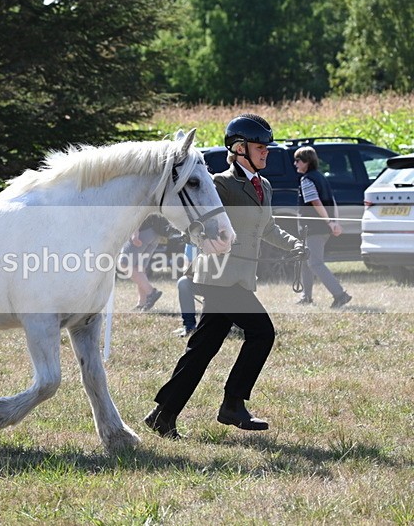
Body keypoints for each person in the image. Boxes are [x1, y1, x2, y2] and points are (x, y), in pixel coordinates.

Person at [144, 114, 307, 439]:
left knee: (202, 348)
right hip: (218, 275)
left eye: (266, 148)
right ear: (239, 148)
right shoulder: (221, 183)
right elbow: (200, 220)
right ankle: (232, 404)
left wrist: (294, 245)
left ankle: (162, 415)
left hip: (239, 277)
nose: (266, 152)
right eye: (260, 147)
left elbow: (268, 228)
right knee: (262, 332)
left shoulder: (266, 186)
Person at [294, 146, 352, 308]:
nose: (295, 164)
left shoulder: (307, 180)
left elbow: (315, 202)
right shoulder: (321, 177)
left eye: (298, 160)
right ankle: (307, 297)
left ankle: (340, 295)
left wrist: (330, 222)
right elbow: (332, 201)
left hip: (313, 229)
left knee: (314, 263)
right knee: (305, 261)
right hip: (319, 228)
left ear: (306, 162)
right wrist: (335, 222)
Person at [119, 215, 164, 311]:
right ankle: (142, 303)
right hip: (154, 233)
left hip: (142, 231)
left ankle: (151, 292)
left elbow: (137, 210)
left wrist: (135, 231)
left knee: (124, 263)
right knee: (139, 268)